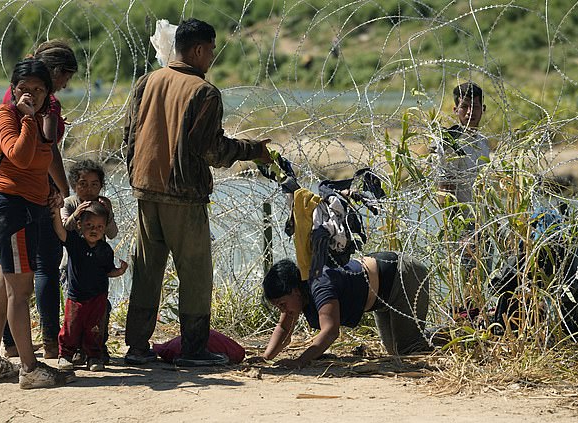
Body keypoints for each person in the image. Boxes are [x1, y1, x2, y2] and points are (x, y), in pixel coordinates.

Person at [123, 18, 271, 366]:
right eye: (212, 50)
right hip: (183, 193)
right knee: (195, 274)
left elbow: (129, 136)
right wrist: (253, 150)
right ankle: (193, 350)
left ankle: (137, 347)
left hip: (145, 189)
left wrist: (136, 176)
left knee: (146, 271)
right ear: (200, 50)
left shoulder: (147, 82)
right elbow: (212, 151)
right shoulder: (203, 92)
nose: (212, 57)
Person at [0, 58, 72, 389]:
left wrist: (56, 193)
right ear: (13, 90)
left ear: (48, 92)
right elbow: (18, 155)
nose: (31, 95)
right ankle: (30, 369)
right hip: (12, 211)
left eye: (38, 89)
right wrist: (29, 118)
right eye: (24, 89)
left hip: (28, 209)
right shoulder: (5, 117)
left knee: (4, 290)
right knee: (20, 293)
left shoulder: (43, 119)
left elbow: (42, 160)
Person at [2, 39, 78, 360]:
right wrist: (64, 191)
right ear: (56, 72)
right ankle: (50, 343)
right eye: (66, 78)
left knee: (8, 273)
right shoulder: (47, 103)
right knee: (47, 262)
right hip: (37, 189)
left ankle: (9, 344)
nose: (65, 85)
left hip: (7, 190)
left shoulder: (13, 95)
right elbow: (49, 149)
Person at [252, 254, 431, 369]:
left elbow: (330, 331)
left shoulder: (320, 285)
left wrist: (300, 361)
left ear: (296, 291)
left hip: (403, 277)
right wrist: (266, 358)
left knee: (410, 352)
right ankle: (430, 336)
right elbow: (284, 329)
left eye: (282, 304)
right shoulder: (298, 294)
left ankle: (446, 336)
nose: (283, 310)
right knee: (395, 352)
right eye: (278, 306)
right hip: (381, 296)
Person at [51, 201, 127, 372]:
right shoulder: (75, 243)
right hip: (76, 297)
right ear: (80, 225)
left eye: (100, 226)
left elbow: (108, 271)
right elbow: (60, 231)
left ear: (105, 228)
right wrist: (57, 210)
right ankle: (65, 356)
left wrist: (120, 271)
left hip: (98, 298)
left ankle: (93, 357)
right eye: (89, 225)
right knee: (71, 328)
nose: (94, 230)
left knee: (95, 329)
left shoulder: (105, 250)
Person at [61, 159, 118, 364]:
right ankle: (74, 349)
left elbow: (112, 233)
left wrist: (108, 212)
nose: (89, 189)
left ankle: (97, 347)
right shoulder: (69, 203)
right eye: (83, 184)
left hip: (97, 267)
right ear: (74, 185)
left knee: (101, 308)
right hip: (73, 268)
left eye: (95, 184)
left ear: (101, 186)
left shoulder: (102, 204)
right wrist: (76, 215)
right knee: (76, 311)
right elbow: (63, 230)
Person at [433, 81, 490, 208]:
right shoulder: (452, 145)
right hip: (461, 221)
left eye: (475, 107)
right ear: (456, 110)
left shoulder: (484, 142)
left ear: (483, 109)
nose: (470, 112)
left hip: (481, 219)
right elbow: (445, 195)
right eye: (464, 106)